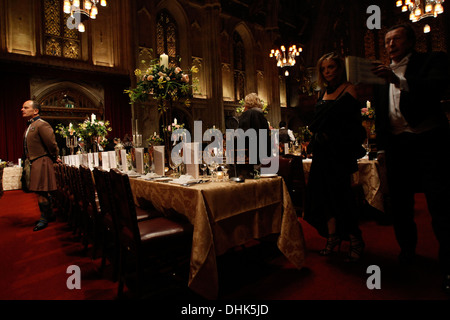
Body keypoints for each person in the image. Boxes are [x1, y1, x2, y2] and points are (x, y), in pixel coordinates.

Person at [371, 23, 450, 294]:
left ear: (410, 41)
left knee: (440, 205)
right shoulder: (380, 75)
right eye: (387, 40)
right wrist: (381, 150)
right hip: (397, 147)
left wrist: (398, 81)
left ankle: (449, 265)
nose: (390, 44)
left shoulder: (432, 60)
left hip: (429, 142)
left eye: (396, 39)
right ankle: (407, 252)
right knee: (401, 206)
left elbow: (436, 88)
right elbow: (381, 116)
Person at [303, 52, 366, 262]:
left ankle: (355, 239)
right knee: (322, 196)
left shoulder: (349, 89)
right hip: (322, 152)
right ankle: (332, 237)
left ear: (339, 68)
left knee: (342, 197)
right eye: (324, 69)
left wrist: (329, 131)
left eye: (331, 67)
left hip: (339, 152)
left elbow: (350, 123)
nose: (327, 72)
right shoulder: (321, 94)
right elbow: (318, 122)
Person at [21, 100, 60, 231]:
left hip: (42, 161)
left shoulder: (42, 125)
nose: (22, 109)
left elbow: (51, 144)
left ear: (36, 111)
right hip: (35, 162)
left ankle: (44, 218)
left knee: (42, 191)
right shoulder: (32, 125)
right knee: (40, 191)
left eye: (26, 107)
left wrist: (55, 156)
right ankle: (49, 215)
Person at [235, 93, 271, 178]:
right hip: (262, 157)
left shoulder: (249, 114)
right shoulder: (261, 115)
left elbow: (242, 136)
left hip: (249, 159)